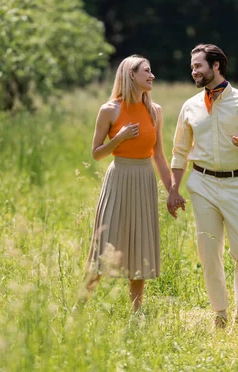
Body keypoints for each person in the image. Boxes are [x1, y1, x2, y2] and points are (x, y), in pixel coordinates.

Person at [167, 44, 238, 327]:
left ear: (216, 66)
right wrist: (174, 189)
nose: (193, 71)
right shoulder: (190, 106)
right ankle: (220, 315)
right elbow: (179, 150)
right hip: (201, 184)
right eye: (192, 67)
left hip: (236, 184)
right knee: (208, 252)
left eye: (198, 65)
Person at [83, 54, 176, 312]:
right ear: (131, 75)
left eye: (151, 70)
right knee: (105, 245)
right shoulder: (109, 110)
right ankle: (79, 308)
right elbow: (97, 153)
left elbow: (158, 155)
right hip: (119, 179)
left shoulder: (155, 111)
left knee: (141, 244)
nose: (152, 75)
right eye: (147, 71)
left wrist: (172, 191)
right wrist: (119, 138)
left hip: (145, 180)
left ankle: (137, 315)